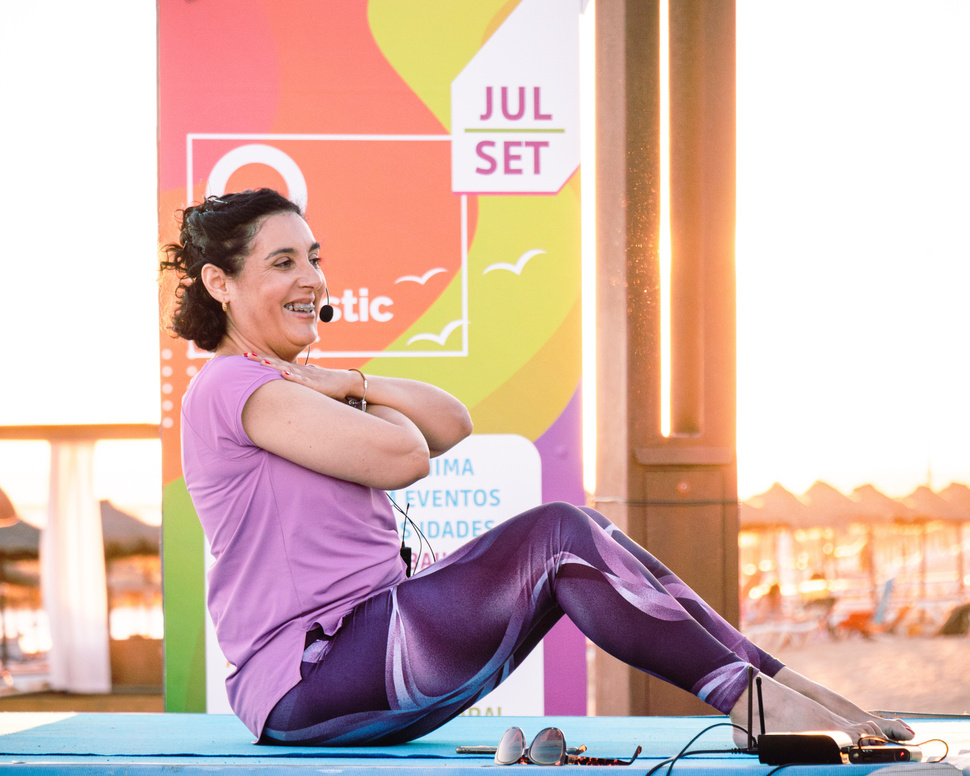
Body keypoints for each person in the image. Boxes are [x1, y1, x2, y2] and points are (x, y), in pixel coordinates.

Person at [159, 188, 915, 747]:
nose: (311, 279)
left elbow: (452, 421)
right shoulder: (232, 386)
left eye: (314, 258)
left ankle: (779, 686)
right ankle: (755, 705)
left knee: (584, 531)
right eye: (283, 262)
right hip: (312, 676)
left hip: (363, 657)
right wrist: (360, 399)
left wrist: (354, 382)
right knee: (558, 536)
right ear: (220, 284)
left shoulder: (301, 385)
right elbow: (407, 455)